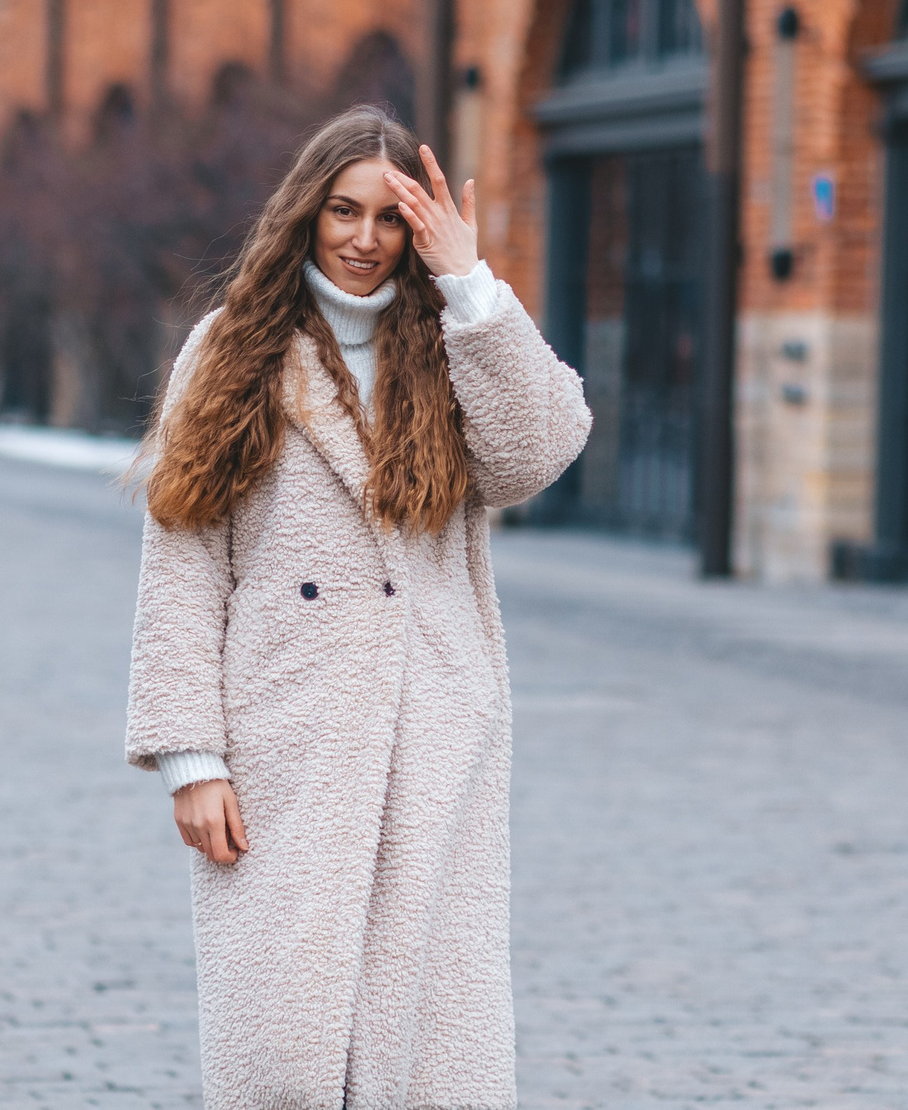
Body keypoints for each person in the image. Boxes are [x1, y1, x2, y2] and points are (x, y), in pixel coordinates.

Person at [126, 105, 591, 1110]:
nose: (363, 238)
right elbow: (183, 551)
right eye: (343, 209)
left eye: (390, 218)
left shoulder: (449, 341)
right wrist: (189, 755)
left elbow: (535, 453)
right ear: (306, 211)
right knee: (282, 1049)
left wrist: (470, 286)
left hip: (433, 725)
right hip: (286, 730)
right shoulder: (233, 345)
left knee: (427, 1050)